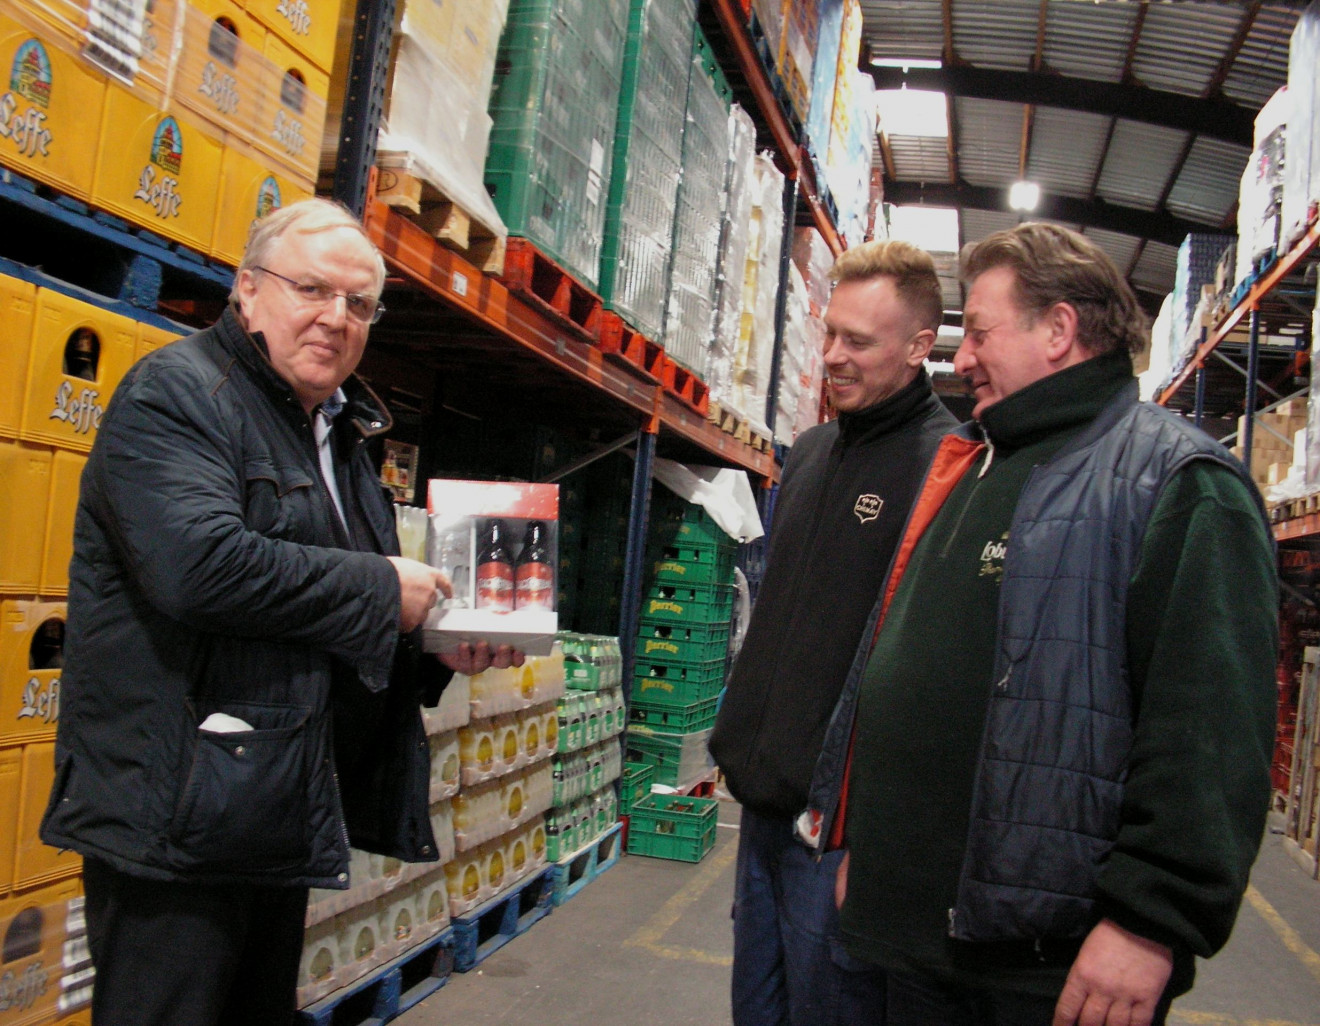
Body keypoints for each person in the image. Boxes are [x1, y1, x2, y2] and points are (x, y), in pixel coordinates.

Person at [40, 198, 522, 1026]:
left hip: (270, 809)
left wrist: (436, 650)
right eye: (311, 289)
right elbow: (199, 568)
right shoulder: (178, 395)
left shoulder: (334, 434)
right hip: (175, 825)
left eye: (359, 304)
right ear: (248, 291)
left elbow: (320, 618)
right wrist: (378, 590)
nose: (335, 318)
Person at [817, 222, 1278, 1026]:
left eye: (981, 334)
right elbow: (899, 658)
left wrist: (1149, 921)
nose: (960, 359)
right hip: (923, 941)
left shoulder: (1175, 482)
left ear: (1059, 330)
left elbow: (1210, 733)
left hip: (1040, 969)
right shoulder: (978, 460)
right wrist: (870, 842)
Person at [709, 239, 959, 1025]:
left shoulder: (947, 465)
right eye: (830, 334)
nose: (833, 357)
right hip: (764, 807)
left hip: (840, 830)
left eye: (860, 342)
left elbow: (926, 671)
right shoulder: (813, 451)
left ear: (920, 347)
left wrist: (881, 835)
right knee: (757, 1010)